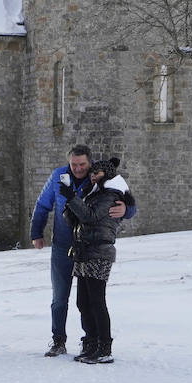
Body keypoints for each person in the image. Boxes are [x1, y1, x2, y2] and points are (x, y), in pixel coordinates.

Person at [30, 144, 133, 356]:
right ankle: (59, 340)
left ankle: (92, 342)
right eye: (74, 165)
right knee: (62, 297)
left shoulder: (100, 178)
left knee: (90, 300)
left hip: (89, 249)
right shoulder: (59, 176)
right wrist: (36, 233)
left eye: (82, 164)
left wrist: (127, 209)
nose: (78, 169)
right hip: (63, 245)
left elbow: (124, 198)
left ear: (90, 162)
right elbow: (42, 205)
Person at [60, 155, 133, 364]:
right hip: (84, 251)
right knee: (83, 302)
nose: (93, 176)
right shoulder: (93, 194)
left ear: (107, 174)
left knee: (97, 301)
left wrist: (73, 199)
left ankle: (104, 347)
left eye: (97, 173)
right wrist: (71, 202)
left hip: (99, 252)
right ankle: (91, 343)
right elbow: (75, 219)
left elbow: (91, 217)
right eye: (92, 173)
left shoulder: (110, 195)